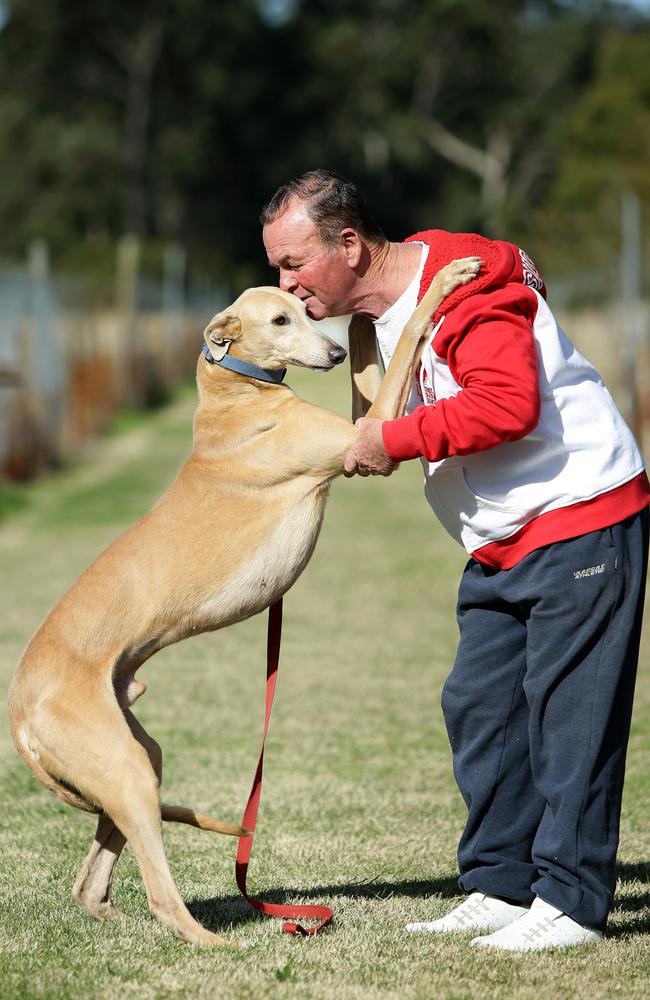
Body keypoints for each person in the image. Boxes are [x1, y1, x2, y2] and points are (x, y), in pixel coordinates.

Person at [260, 169, 650, 952]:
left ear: (349, 243)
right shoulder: (376, 322)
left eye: (294, 264)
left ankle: (571, 901)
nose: (285, 282)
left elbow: (508, 404)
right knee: (482, 709)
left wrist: (392, 440)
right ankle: (502, 886)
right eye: (276, 266)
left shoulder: (466, 291)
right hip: (499, 540)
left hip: (578, 517)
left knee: (569, 722)